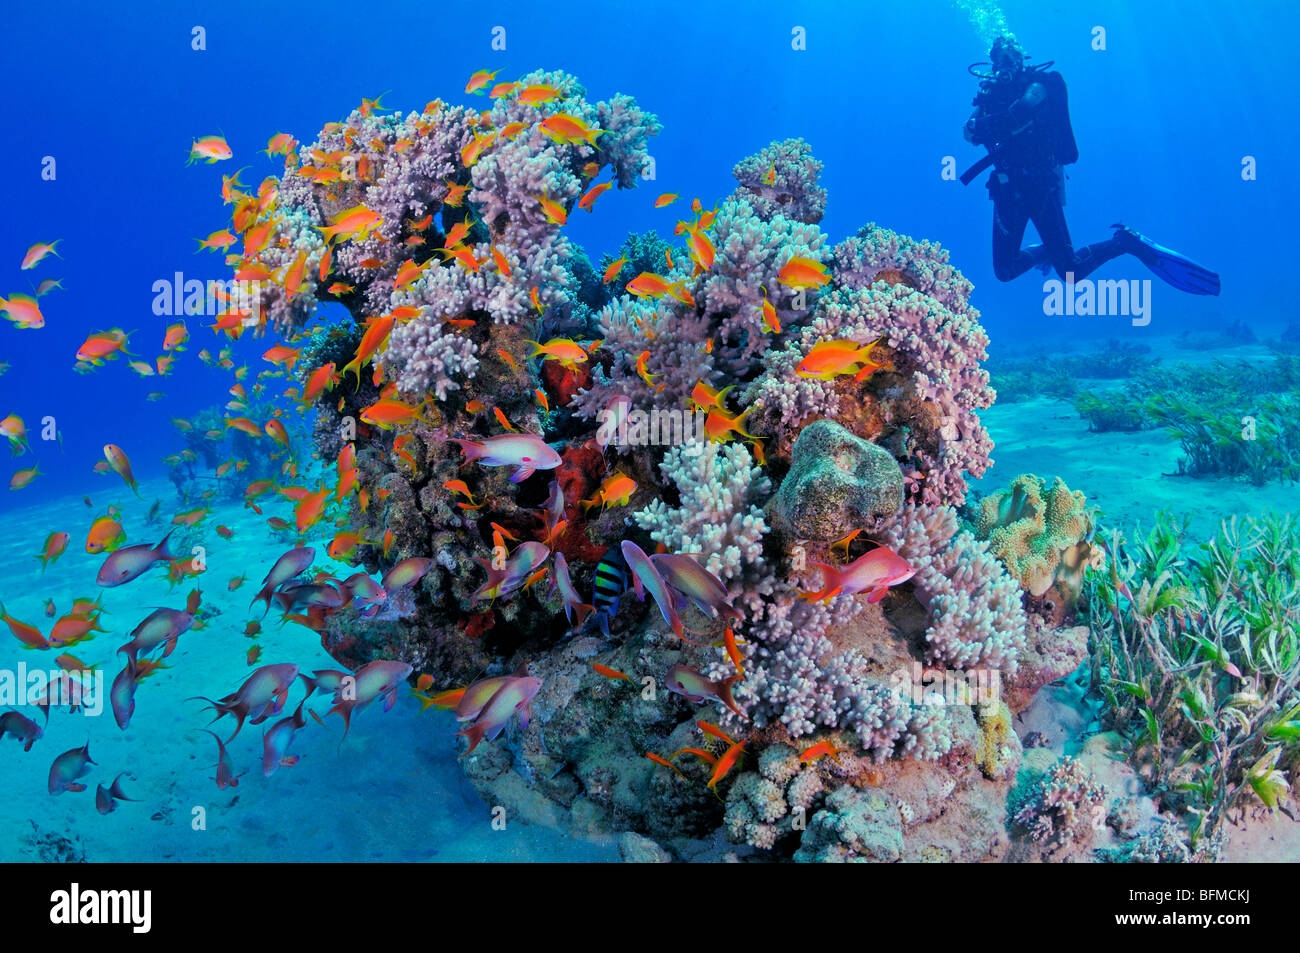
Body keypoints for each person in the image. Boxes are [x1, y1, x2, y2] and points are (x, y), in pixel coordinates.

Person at [962, 36, 1220, 295]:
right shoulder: (989, 94)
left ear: (1020, 60)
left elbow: (1020, 111)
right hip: (1006, 191)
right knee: (1004, 271)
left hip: (1040, 188)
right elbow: (969, 133)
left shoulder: (1039, 84)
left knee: (1071, 273)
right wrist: (983, 122)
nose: (1002, 65)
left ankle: (1125, 243)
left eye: (1008, 59)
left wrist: (984, 125)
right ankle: (1045, 252)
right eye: (997, 60)